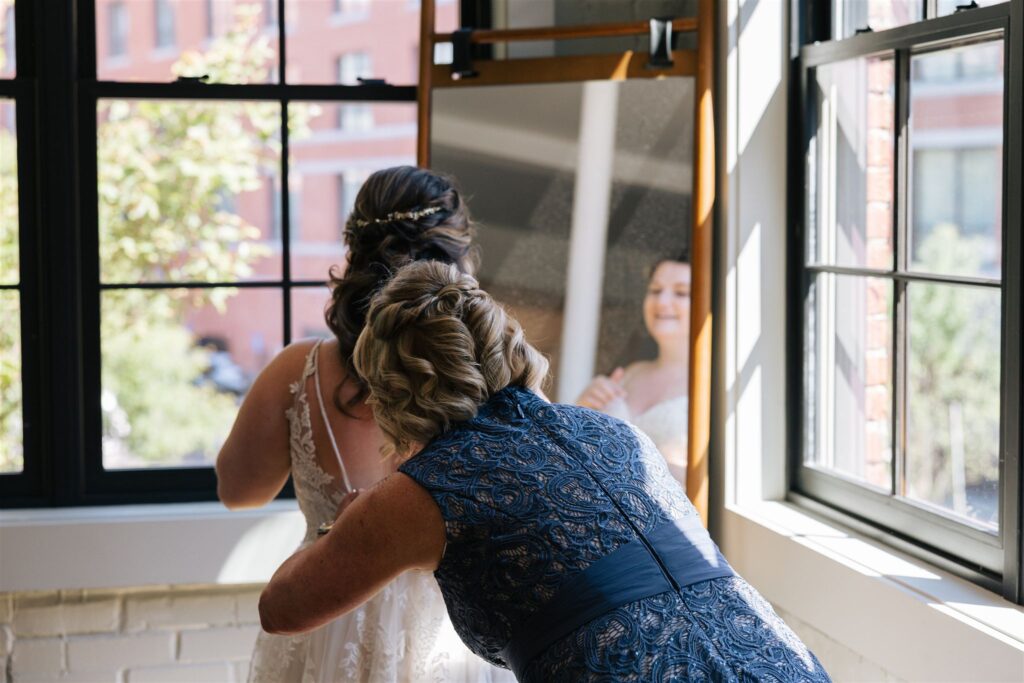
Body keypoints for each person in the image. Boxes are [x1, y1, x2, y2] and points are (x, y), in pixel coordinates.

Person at [258, 260, 831, 683]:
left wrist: (342, 522)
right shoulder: (611, 431)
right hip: (778, 660)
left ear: (391, 391)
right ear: (506, 348)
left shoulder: (428, 487)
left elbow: (282, 609)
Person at [216, 167, 512, 682]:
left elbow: (239, 491)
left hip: (327, 615)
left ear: (354, 252)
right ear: (460, 259)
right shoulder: (495, 374)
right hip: (455, 627)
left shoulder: (297, 371)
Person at [577, 256, 692, 483]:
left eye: (681, 293)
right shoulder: (631, 372)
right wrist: (582, 408)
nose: (662, 301)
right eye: (655, 290)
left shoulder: (716, 390)